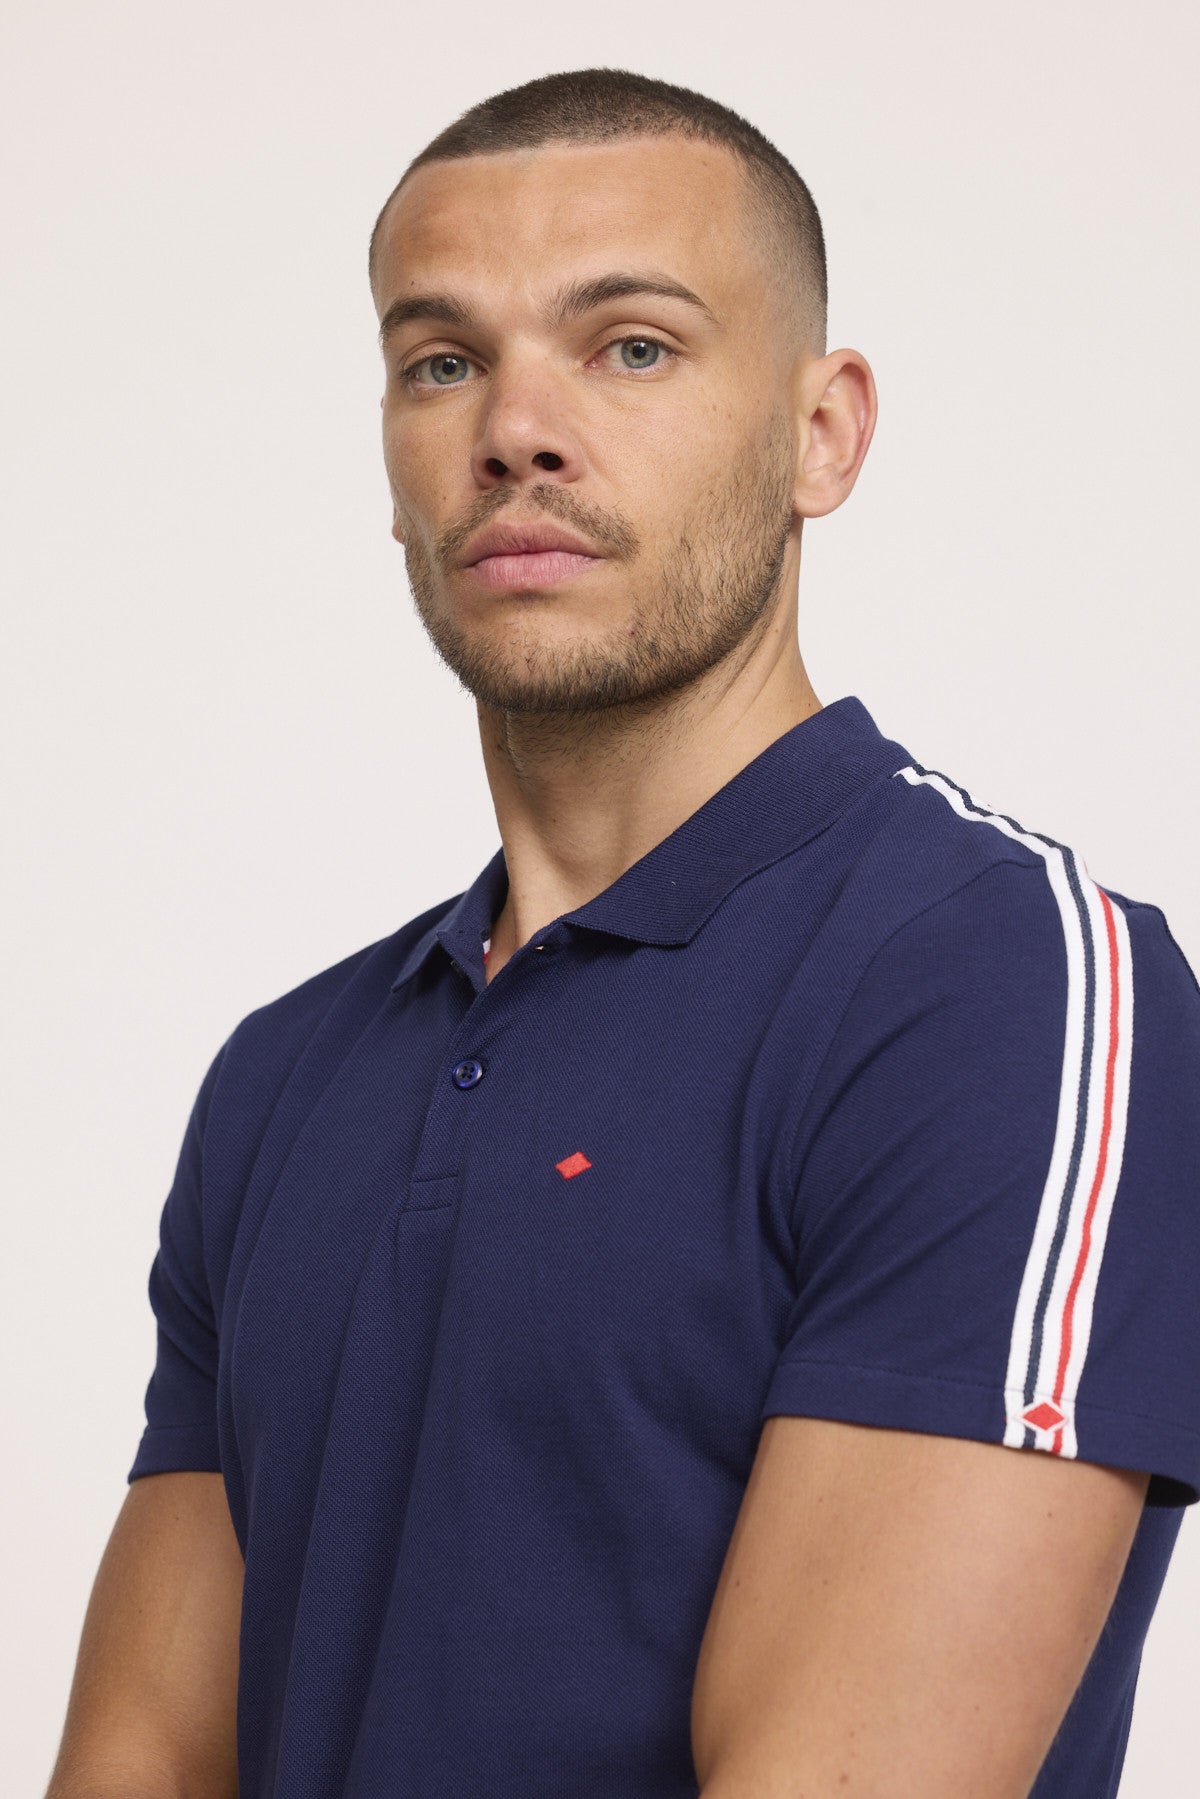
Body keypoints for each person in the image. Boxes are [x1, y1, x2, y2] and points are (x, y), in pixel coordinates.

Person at [47, 67, 1200, 1799]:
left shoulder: (1005, 989)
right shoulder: (282, 1079)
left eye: (632, 347)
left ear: (824, 434)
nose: (517, 429)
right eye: (444, 362)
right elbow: (141, 1761)